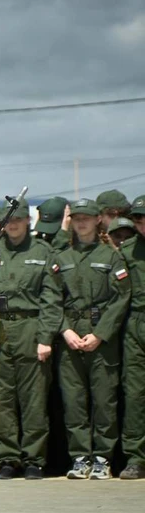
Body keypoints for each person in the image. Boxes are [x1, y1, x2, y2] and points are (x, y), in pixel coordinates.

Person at [56, 198, 130, 480]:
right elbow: (51, 298)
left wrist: (100, 334)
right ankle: (79, 457)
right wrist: (65, 330)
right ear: (71, 222)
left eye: (87, 217)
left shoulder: (111, 256)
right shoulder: (62, 258)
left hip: (101, 334)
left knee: (103, 399)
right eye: (77, 218)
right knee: (73, 400)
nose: (82, 222)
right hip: (71, 334)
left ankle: (102, 457)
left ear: (98, 219)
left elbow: (121, 296)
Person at [0, 199, 62, 480]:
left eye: (18, 220)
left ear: (28, 221)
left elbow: (51, 300)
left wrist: (45, 337)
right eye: (9, 221)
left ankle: (34, 458)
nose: (13, 225)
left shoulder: (42, 252)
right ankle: (8, 458)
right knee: (0, 398)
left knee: (33, 398)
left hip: (31, 327)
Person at [119, 196, 145, 479]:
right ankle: (136, 458)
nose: (142, 224)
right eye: (138, 219)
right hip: (136, 322)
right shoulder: (127, 250)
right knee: (135, 394)